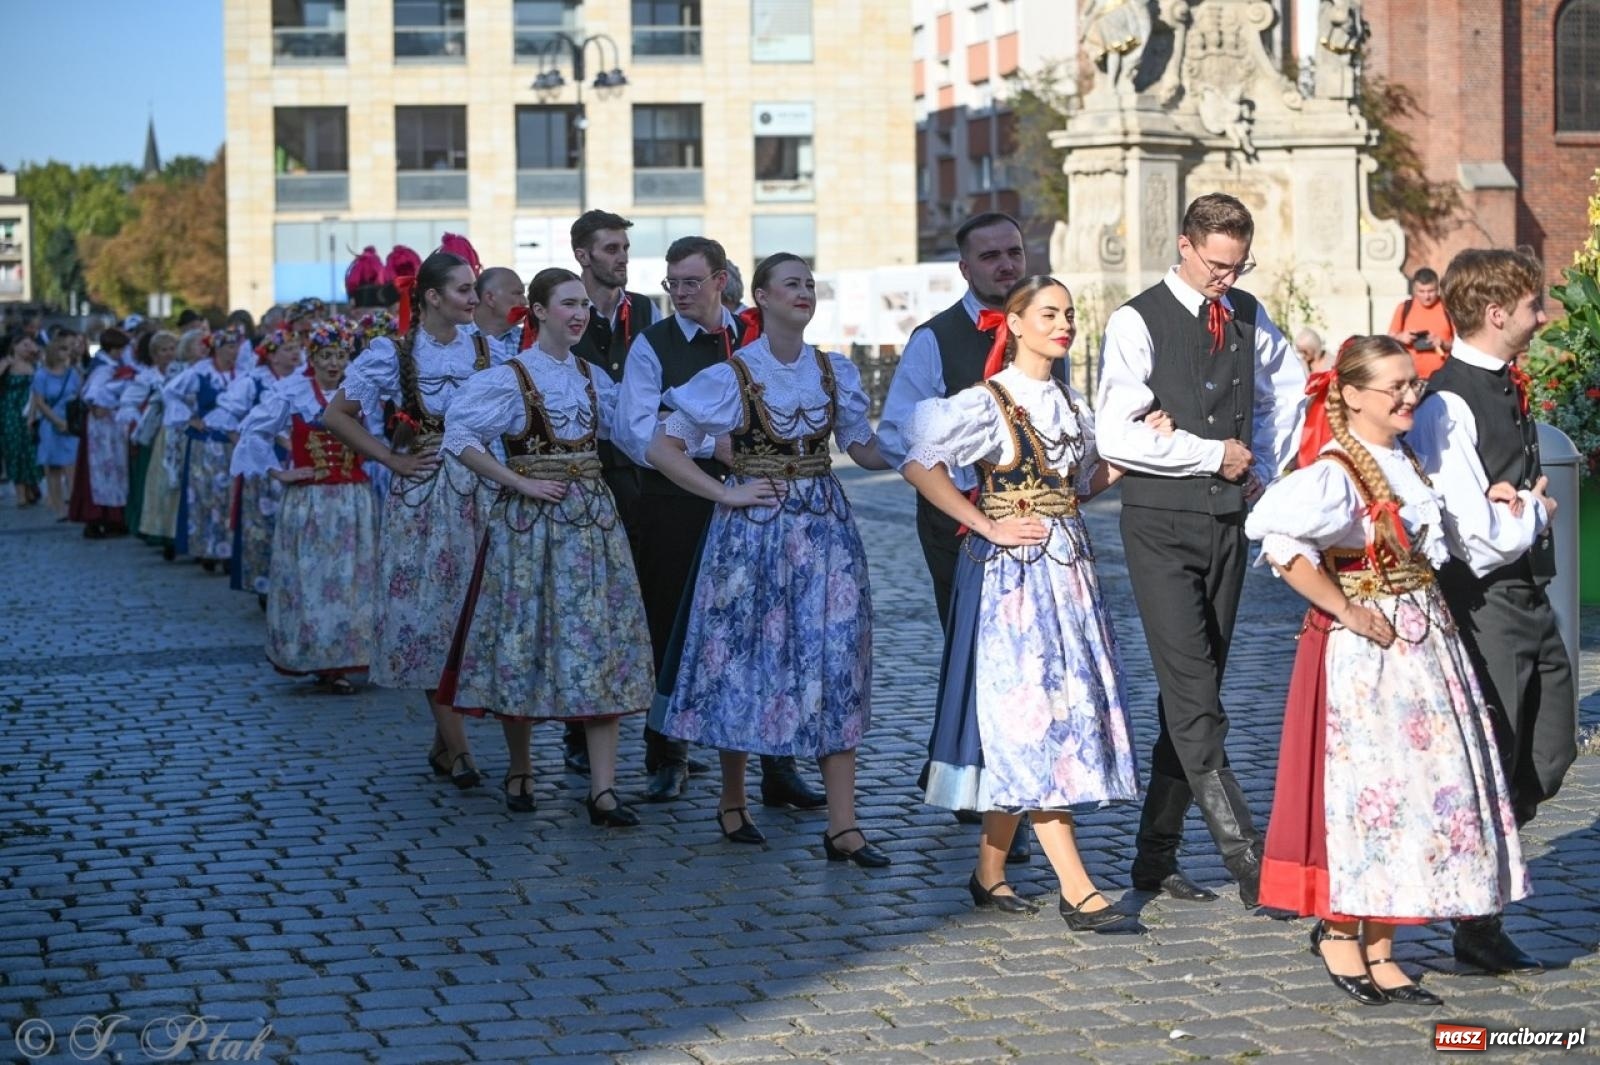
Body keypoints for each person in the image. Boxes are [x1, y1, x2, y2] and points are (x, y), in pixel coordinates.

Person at [1247, 334, 1530, 1006]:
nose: (1410, 395)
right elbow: (1281, 542)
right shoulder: (1336, 470)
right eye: (1395, 386)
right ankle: (1342, 931)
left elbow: (1442, 531)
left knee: (1410, 792)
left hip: (1424, 648)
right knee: (1366, 791)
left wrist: (1498, 497)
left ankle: (1382, 943)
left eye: (1413, 383)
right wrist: (1343, 606)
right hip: (1369, 655)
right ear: (1349, 394)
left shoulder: (1405, 456)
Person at [903, 275, 1157, 927]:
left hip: (1070, 580)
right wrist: (985, 522)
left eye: (1069, 314)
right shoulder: (991, 402)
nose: (1063, 323)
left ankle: (990, 869)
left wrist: (1120, 465)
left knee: (1050, 713)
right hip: (1012, 584)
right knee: (1035, 718)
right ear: (1013, 323)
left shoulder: (1070, 405)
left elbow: (1075, 488)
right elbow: (920, 462)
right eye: (1049, 313)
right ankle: (1077, 887)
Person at [1093, 192, 1305, 907]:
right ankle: (1250, 862)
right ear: (1184, 245)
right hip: (1157, 524)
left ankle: (1153, 859)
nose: (1227, 278)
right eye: (1217, 265)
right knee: (1194, 696)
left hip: (1225, 527)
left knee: (1196, 693)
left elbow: (1287, 391)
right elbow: (1117, 434)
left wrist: (1265, 467)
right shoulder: (1135, 319)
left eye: (1238, 266)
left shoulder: (1248, 312)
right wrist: (1212, 453)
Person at [646, 252, 890, 863]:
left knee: (836, 661)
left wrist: (930, 446)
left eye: (810, 283)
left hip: (827, 535)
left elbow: (862, 449)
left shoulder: (833, 371)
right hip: (754, 534)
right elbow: (663, 443)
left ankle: (844, 825)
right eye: (791, 284)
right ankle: (733, 799)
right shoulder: (735, 374)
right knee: (746, 659)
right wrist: (724, 491)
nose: (804, 292)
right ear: (761, 297)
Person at [1407, 247, 1577, 973]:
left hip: (1527, 592)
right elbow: (1472, 538)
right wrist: (1533, 513)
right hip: (1485, 601)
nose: (1545, 316)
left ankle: (1481, 867)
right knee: (1499, 754)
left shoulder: (1502, 382)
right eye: (1534, 305)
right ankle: (1472, 916)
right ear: (1497, 311)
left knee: (1552, 747)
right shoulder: (1447, 400)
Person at [615, 235, 826, 809]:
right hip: (676, 502)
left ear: (720, 281)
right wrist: (715, 447)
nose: (680, 293)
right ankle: (667, 753)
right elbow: (634, 430)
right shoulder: (652, 345)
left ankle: (776, 762)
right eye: (672, 282)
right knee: (674, 622)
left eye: (691, 281)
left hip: (760, 502)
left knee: (769, 627)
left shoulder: (758, 336)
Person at [437, 267, 651, 826]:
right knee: (522, 641)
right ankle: (521, 767)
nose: (579, 314)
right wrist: (520, 481)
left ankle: (603, 790)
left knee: (601, 644)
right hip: (531, 528)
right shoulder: (512, 376)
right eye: (568, 304)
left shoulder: (589, 376)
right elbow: (458, 437)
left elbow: (633, 432)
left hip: (594, 527)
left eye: (584, 304)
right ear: (537, 311)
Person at [877, 210, 1034, 863]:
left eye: (1013, 252)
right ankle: (985, 793)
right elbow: (898, 433)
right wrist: (968, 482)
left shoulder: (1045, 326)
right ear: (964, 267)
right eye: (990, 256)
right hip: (960, 521)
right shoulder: (934, 339)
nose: (1004, 264)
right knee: (974, 654)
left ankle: (1006, 783)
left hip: (1031, 525)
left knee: (1025, 660)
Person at [322, 250, 501, 791]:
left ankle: (444, 744)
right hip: (424, 497)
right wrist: (392, 458)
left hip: (483, 494)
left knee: (476, 618)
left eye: (475, 289)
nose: (475, 298)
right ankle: (463, 751)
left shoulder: (491, 349)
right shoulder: (394, 353)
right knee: (431, 619)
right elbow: (335, 415)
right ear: (431, 297)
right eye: (465, 290)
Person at [564, 209, 660, 775]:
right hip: (582, 472)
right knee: (587, 604)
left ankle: (656, 733)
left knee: (644, 598)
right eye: (609, 248)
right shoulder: (562, 308)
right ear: (583, 255)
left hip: (638, 472)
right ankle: (579, 732)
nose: (621, 257)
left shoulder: (644, 309)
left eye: (624, 247)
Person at [233, 320, 377, 692]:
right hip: (310, 501)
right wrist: (280, 473)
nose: (334, 364)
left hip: (353, 501)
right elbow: (254, 431)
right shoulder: (293, 392)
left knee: (352, 580)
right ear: (312, 357)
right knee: (313, 579)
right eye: (326, 355)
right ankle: (317, 658)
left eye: (341, 355)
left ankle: (348, 657)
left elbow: (380, 439)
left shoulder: (362, 392)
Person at [215, 328, 304, 603]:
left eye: (297, 348)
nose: (295, 354)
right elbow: (228, 416)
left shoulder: (303, 380)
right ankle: (263, 584)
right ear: (272, 356)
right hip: (266, 464)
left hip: (298, 459)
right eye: (288, 349)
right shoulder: (254, 380)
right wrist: (247, 446)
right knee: (263, 524)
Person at [162, 329, 244, 567]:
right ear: (217, 349)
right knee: (206, 496)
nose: (234, 351)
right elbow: (170, 392)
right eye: (229, 346)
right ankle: (207, 548)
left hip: (232, 443)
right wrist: (189, 418)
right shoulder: (200, 372)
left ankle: (228, 549)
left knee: (230, 496)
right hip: (206, 443)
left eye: (236, 346)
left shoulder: (242, 374)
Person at [69, 327, 138, 538]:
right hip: (101, 428)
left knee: (114, 470)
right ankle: (97, 517)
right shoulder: (103, 368)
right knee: (100, 471)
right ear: (114, 349)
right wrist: (102, 405)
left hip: (112, 425)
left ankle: (112, 517)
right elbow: (91, 395)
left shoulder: (111, 365)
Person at [117, 330, 179, 539]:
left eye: (172, 349)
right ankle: (151, 527)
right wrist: (140, 421)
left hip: (177, 434)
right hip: (154, 437)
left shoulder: (182, 373)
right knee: (152, 483)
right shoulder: (146, 378)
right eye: (164, 350)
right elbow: (127, 403)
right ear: (154, 354)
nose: (169, 354)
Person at [31, 335, 81, 517]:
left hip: (71, 423)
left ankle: (74, 505)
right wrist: (58, 421)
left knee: (72, 464)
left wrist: (72, 421)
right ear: (54, 351)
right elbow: (40, 402)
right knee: (53, 467)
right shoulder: (41, 375)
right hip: (51, 423)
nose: (67, 352)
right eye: (63, 348)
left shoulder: (72, 373)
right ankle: (59, 507)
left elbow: (79, 395)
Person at [1387, 267, 1454, 378]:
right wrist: (1401, 337)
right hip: (1410, 377)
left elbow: (1463, 344)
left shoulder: (1448, 309)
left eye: (1431, 291)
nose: (1426, 296)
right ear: (1414, 290)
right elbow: (1389, 340)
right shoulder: (1404, 308)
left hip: (1443, 377)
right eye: (1421, 291)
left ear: (1438, 288)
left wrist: (1442, 343)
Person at [0, 332, 42, 507]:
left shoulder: (36, 365)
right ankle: (20, 494)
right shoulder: (6, 363)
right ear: (14, 346)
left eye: (30, 344)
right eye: (24, 344)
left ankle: (31, 486)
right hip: (10, 412)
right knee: (15, 450)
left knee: (31, 451)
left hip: (32, 411)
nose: (28, 348)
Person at [471, 266, 528, 358]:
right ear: (490, 298)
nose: (524, 302)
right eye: (517, 293)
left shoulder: (530, 342)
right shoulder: (453, 339)